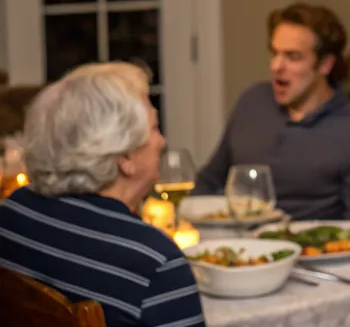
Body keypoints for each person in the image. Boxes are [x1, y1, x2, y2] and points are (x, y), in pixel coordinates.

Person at [0, 62, 205, 327]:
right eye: (154, 128)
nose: (162, 142)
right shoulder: (155, 264)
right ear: (126, 157)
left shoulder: (13, 212)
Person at [193, 3, 350, 220]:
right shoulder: (253, 101)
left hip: (309, 248)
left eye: (293, 57)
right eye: (275, 53)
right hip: (235, 244)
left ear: (325, 64)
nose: (277, 66)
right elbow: (210, 180)